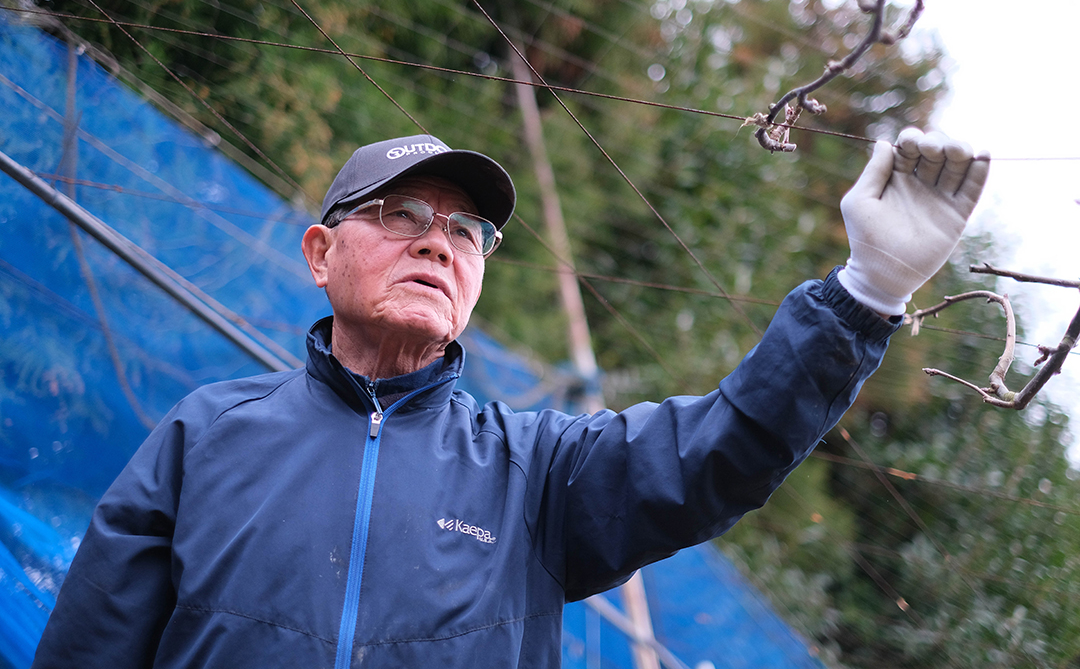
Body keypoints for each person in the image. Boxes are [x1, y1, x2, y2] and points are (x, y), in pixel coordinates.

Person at [32, 129, 989, 668]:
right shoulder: (207, 434)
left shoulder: (539, 471)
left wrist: (864, 293)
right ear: (321, 254)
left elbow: (724, 447)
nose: (438, 243)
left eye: (467, 232)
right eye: (401, 215)